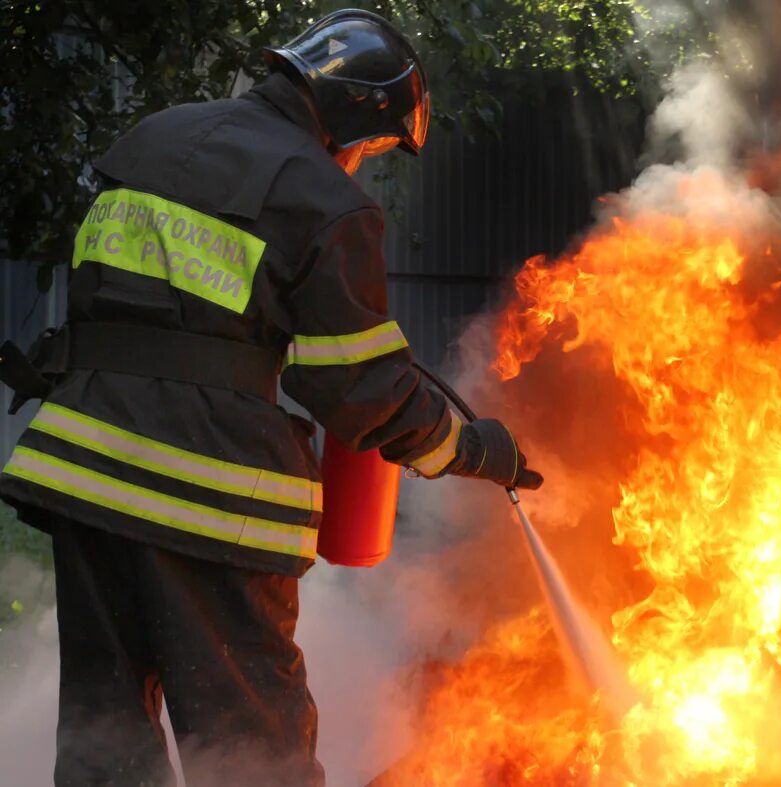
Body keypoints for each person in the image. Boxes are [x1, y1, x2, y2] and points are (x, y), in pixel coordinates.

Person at [0, 9, 541, 786]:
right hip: (203, 500)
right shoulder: (321, 199)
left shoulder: (157, 137)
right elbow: (358, 390)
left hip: (82, 476)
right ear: (358, 110)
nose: (363, 160)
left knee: (105, 737)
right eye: (376, 142)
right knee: (254, 748)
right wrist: (470, 447)